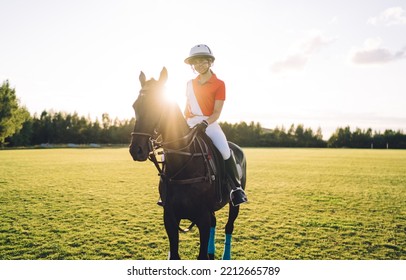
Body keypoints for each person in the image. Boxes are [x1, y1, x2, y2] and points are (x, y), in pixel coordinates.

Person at [183, 44, 247, 206]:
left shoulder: (219, 84)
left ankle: (236, 188)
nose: (199, 65)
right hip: (190, 122)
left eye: (203, 61)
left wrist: (204, 123)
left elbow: (217, 112)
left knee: (225, 151)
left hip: (209, 123)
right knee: (170, 148)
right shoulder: (189, 84)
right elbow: (187, 107)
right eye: (195, 62)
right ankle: (167, 187)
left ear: (210, 62)